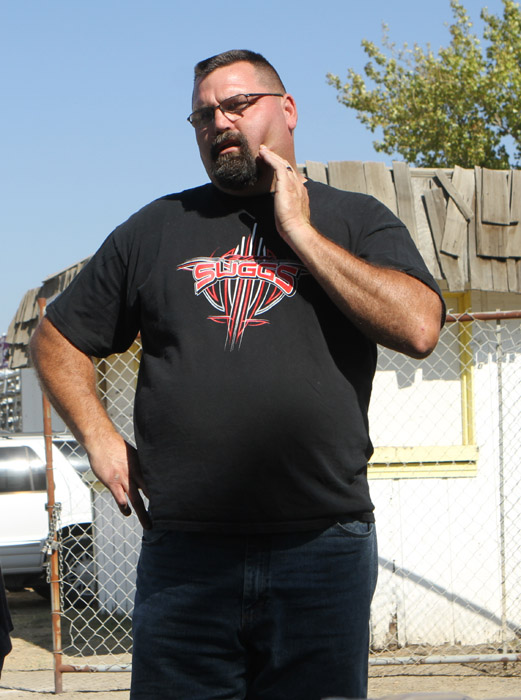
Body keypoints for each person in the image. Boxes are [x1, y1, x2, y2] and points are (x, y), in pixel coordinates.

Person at [30, 49, 444, 700]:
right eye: (203, 115)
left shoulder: (355, 219)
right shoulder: (157, 228)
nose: (219, 122)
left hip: (322, 546)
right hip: (187, 554)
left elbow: (418, 327)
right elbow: (55, 337)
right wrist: (99, 437)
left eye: (237, 104)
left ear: (287, 109)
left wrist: (299, 233)